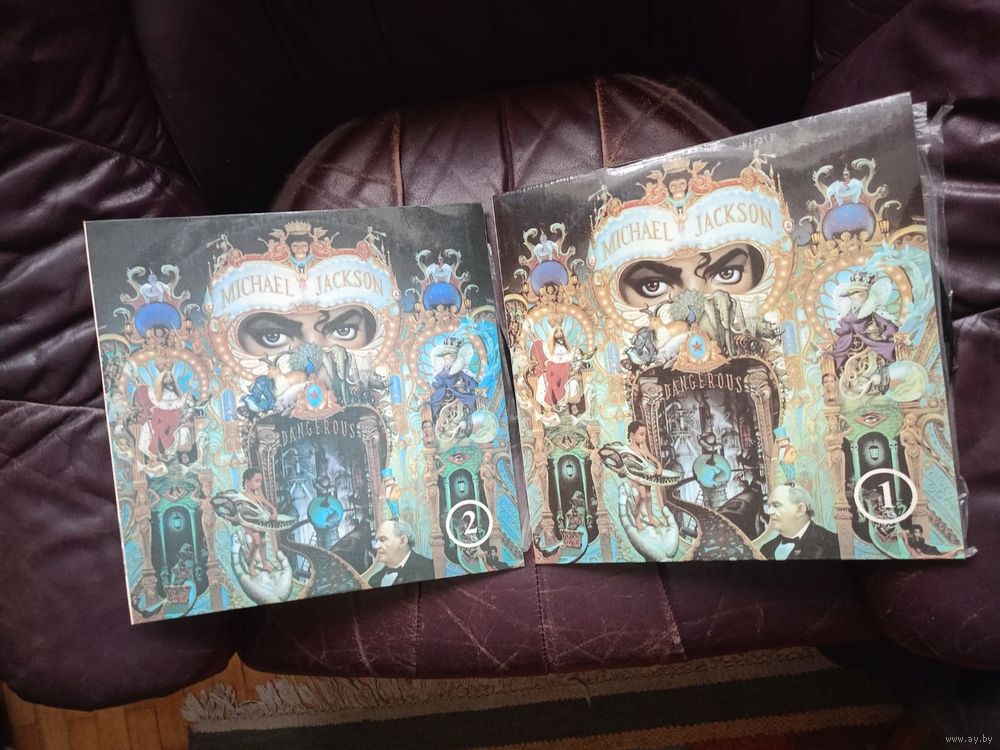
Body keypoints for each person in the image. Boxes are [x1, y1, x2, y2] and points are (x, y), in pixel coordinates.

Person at [760, 484, 840, 560]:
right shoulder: (765, 549)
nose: (769, 511)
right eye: (769, 506)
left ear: (800, 510)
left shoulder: (833, 544)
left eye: (776, 505)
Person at [369, 519, 435, 587]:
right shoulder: (374, 580)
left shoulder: (431, 569)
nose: (376, 546)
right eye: (377, 540)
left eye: (382, 539)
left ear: (403, 541)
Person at [241, 468, 280, 575]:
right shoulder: (242, 497)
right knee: (256, 541)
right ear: (247, 482)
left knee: (262, 541)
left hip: (260, 523)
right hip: (249, 523)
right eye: (256, 481)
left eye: (260, 481)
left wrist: (274, 513)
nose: (259, 484)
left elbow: (272, 507)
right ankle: (250, 565)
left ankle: (264, 563)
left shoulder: (259, 497)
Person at [627, 421, 661, 531]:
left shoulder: (642, 448)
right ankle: (637, 519)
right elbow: (628, 466)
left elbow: (654, 459)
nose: (644, 437)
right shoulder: (629, 450)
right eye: (641, 435)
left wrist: (659, 466)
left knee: (648, 495)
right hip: (636, 476)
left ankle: (650, 518)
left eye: (645, 435)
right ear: (632, 435)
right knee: (641, 496)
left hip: (645, 476)